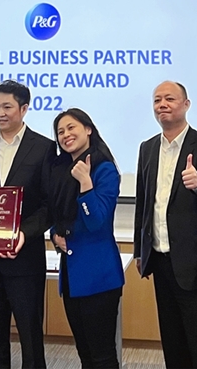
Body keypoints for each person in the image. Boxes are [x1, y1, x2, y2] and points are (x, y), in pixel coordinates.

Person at [0, 80, 54, 369]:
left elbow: (48, 205)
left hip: (25, 260)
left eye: (7, 107)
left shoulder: (44, 148)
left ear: (24, 109)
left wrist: (23, 234)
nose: (0, 113)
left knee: (30, 337)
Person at [133, 81, 197, 369]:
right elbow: (143, 202)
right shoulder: (147, 148)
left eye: (170, 99)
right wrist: (139, 250)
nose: (162, 104)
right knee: (173, 344)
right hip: (160, 261)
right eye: (157, 100)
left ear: (186, 104)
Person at [49, 109, 124, 369]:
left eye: (72, 128)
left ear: (88, 129)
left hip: (99, 276)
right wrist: (54, 234)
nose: (66, 135)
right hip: (72, 278)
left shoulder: (104, 169)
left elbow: (97, 221)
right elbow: (57, 217)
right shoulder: (61, 170)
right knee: (85, 354)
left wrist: (85, 184)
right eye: (60, 132)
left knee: (102, 355)